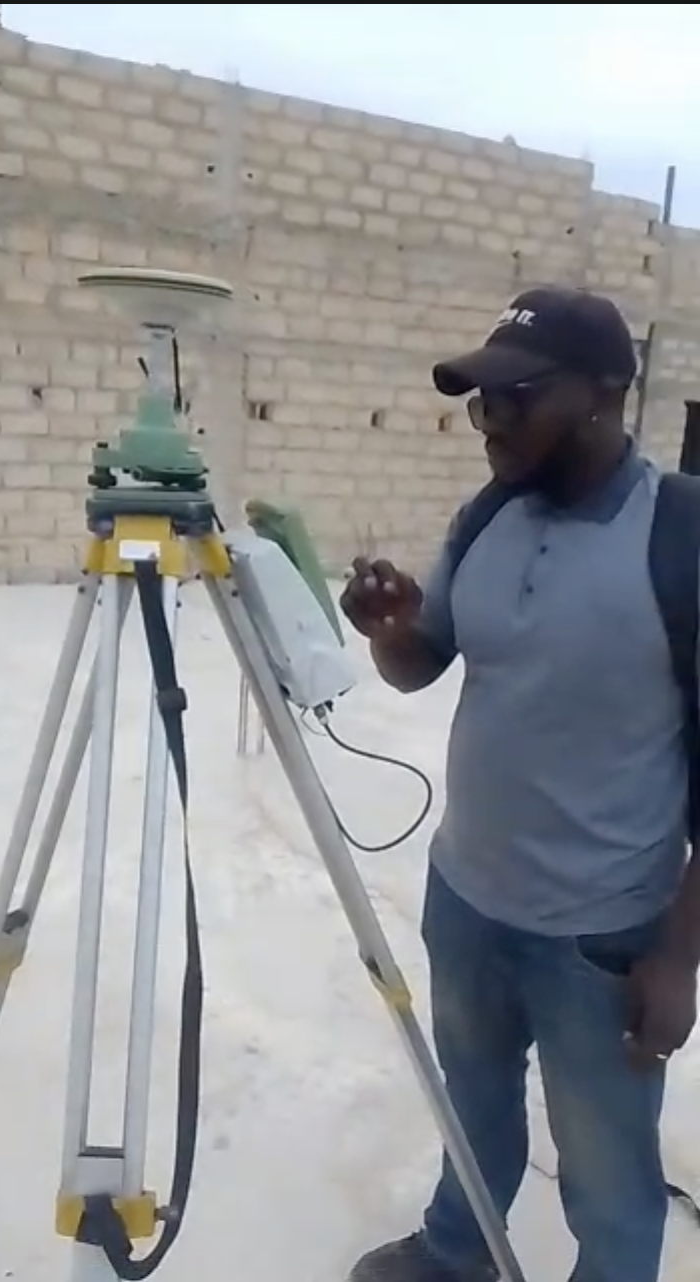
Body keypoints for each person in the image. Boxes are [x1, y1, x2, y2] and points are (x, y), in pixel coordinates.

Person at [339, 285, 700, 1282]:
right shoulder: (490, 512)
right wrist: (392, 628)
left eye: (515, 397)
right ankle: (457, 1251)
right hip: (466, 899)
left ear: (603, 394)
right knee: (475, 1104)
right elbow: (428, 661)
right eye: (479, 402)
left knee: (607, 1176)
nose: (488, 423)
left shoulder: (682, 535)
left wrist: (677, 955)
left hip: (600, 939)